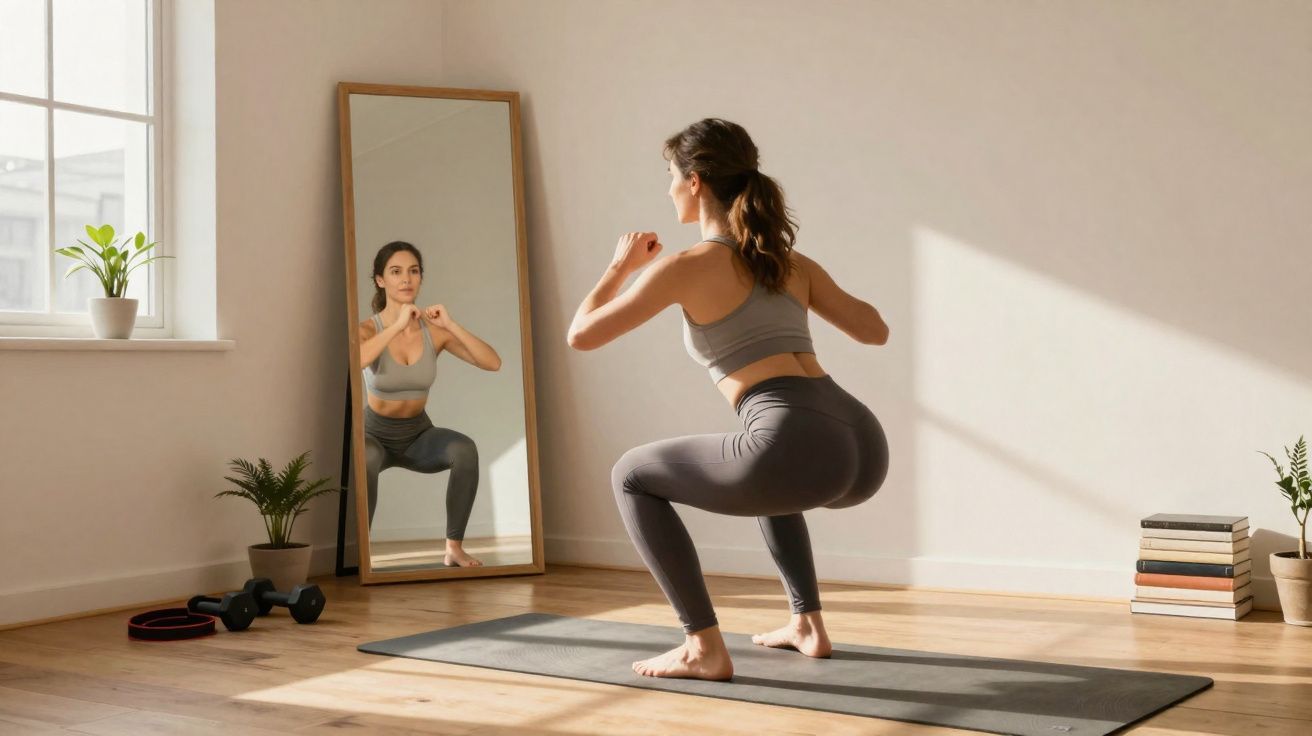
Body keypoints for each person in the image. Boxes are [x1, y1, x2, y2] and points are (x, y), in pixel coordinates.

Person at [566, 119, 890, 680]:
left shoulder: (683, 268)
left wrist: (620, 266)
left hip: (795, 437)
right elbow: (875, 331)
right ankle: (807, 623)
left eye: (670, 176)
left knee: (630, 474)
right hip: (859, 439)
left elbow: (582, 334)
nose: (668, 188)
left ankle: (701, 647)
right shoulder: (789, 263)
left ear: (694, 182)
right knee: (769, 468)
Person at [358, 241, 503, 568]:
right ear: (381, 280)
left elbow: (492, 363)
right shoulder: (368, 329)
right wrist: (396, 325)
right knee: (364, 456)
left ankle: (454, 547)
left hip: (418, 435)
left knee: (464, 449)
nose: (405, 279)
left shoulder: (433, 332)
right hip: (374, 435)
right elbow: (357, 360)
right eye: (395, 272)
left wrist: (449, 325)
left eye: (413, 271)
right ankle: (362, 554)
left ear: (421, 278)